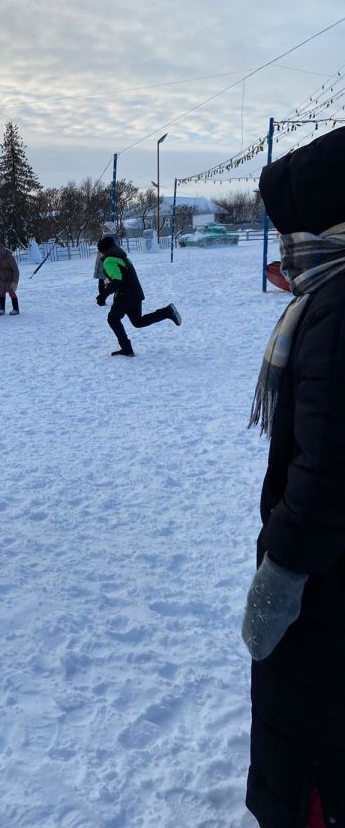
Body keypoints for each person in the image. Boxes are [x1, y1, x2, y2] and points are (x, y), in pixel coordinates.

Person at [241, 126, 345, 828]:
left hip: (328, 578)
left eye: (285, 231)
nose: (280, 249)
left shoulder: (337, 306)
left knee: (309, 710)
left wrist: (282, 567)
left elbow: (331, 464)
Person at [96, 225, 181, 356]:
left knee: (113, 319)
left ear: (103, 250)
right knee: (138, 321)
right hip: (135, 293)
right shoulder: (123, 257)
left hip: (125, 295)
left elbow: (117, 279)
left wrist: (103, 295)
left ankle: (127, 349)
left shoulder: (108, 260)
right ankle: (167, 312)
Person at [0, 242, 21, 315]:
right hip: (2, 277)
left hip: (11, 278)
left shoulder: (9, 257)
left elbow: (16, 270)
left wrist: (14, 282)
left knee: (11, 292)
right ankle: (2, 309)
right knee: (2, 292)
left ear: (0, 252)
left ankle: (16, 309)